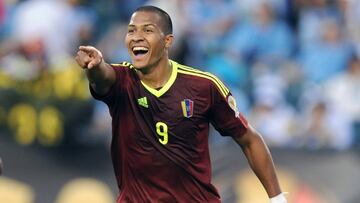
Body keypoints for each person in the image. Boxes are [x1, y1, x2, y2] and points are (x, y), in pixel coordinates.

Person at [75, 5, 286, 203]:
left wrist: (277, 199)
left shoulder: (204, 86)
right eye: (131, 31)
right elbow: (102, 77)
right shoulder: (123, 81)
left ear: (167, 41)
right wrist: (95, 66)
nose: (137, 37)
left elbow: (249, 139)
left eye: (147, 30)